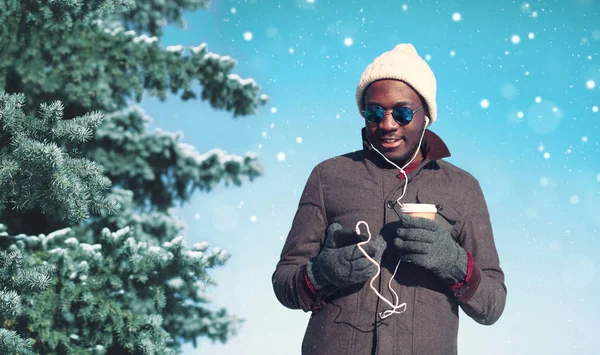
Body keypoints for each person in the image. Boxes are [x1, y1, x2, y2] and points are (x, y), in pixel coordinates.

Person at [272, 43, 507, 355]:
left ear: (426, 116)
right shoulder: (327, 176)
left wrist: (455, 263)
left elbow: (492, 305)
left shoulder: (463, 188)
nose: (387, 124)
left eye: (403, 112)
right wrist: (321, 273)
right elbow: (284, 281)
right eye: (373, 113)